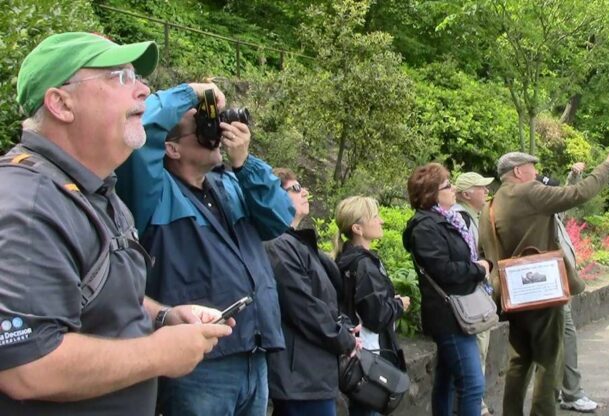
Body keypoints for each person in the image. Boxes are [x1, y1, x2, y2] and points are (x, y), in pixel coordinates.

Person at [0, 32, 232, 415]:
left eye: (137, 77)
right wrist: (157, 354)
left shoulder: (96, 190)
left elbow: (90, 291)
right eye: (120, 77)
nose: (142, 89)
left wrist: (163, 316)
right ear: (61, 103)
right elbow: (26, 366)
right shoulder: (28, 204)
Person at [115, 80, 294, 415]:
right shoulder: (154, 193)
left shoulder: (230, 183)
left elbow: (279, 218)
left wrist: (244, 164)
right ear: (171, 148)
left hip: (253, 349)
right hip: (197, 361)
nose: (213, 133)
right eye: (201, 128)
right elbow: (144, 126)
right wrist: (193, 92)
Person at [479, 144, 609, 416]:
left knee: (519, 360)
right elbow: (578, 194)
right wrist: (608, 165)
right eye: (532, 168)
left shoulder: (490, 206)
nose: (536, 173)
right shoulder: (528, 192)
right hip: (542, 291)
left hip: (513, 295)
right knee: (549, 360)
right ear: (519, 171)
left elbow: (483, 252)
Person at [265, 168, 360, 416]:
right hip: (300, 376)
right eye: (295, 189)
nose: (305, 191)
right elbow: (303, 306)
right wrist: (344, 339)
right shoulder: (277, 244)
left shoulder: (297, 243)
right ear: (275, 196)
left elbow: (324, 300)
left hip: (312, 372)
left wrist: (345, 325)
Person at [402, 163, 489, 416]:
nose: (453, 188)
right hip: (449, 315)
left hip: (456, 310)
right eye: (447, 185)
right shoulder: (426, 227)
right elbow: (445, 271)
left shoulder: (445, 220)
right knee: (472, 384)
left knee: (447, 380)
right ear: (432, 193)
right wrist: (479, 269)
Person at [334, 195, 411, 416]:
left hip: (357, 355)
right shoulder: (365, 264)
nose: (381, 221)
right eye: (375, 217)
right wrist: (398, 304)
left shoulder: (346, 258)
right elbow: (376, 316)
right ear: (358, 228)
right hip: (370, 358)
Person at [537, 163, 599, 413]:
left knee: (563, 342)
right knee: (562, 342)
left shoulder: (553, 215)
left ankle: (567, 392)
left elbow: (568, 196)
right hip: (551, 290)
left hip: (559, 289)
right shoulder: (541, 219)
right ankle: (569, 394)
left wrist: (573, 176)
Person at [453, 171, 495, 416]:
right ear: (467, 193)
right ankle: (476, 406)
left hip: (474, 294)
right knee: (478, 349)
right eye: (482, 188)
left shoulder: (470, 216)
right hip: (472, 297)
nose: (486, 192)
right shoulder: (463, 219)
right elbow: (469, 260)